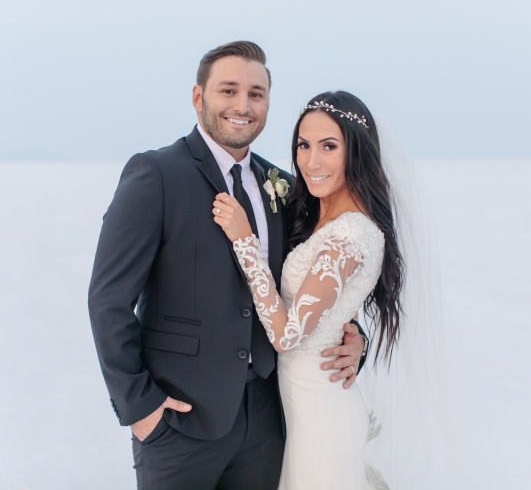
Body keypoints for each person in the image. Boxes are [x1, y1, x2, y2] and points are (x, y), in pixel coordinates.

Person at [87, 42, 368, 489]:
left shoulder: (285, 187)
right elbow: (108, 300)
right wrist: (140, 408)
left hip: (268, 422)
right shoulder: (155, 175)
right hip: (179, 423)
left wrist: (355, 339)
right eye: (228, 91)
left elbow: (316, 281)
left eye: (256, 94)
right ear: (198, 98)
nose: (243, 105)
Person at [212, 90, 404, 489]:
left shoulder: (350, 236)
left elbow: (287, 335)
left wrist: (245, 241)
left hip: (323, 415)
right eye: (303, 145)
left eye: (329, 146)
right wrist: (357, 337)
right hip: (297, 411)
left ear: (358, 153)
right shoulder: (316, 214)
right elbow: (335, 310)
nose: (311, 161)